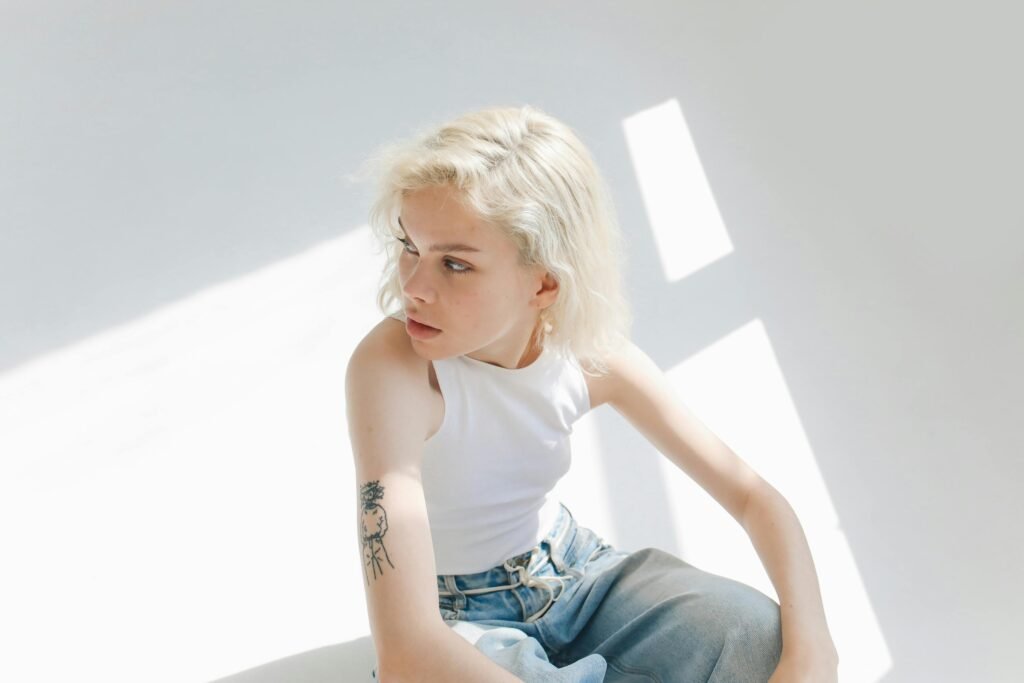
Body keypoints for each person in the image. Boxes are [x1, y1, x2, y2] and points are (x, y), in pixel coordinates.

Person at [346, 105, 839, 682]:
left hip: (579, 579)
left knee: (757, 636)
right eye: (410, 246)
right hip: (456, 619)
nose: (414, 286)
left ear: (545, 282)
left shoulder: (588, 357)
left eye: (454, 263)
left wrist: (813, 654)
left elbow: (756, 499)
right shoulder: (394, 368)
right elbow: (408, 650)